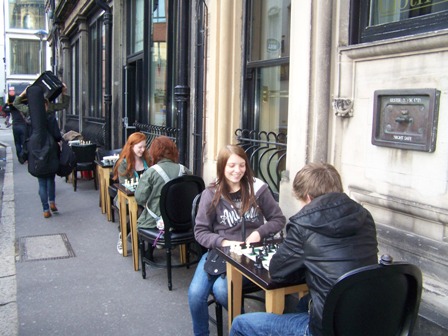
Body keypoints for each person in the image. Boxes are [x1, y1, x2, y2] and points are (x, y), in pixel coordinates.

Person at [229, 162, 379, 336]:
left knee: (240, 324)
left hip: (326, 329)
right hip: (367, 321)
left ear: (307, 197)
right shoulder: (364, 216)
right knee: (303, 304)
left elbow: (278, 272)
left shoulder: (304, 224)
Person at [188, 144, 286, 336]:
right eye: (231, 165)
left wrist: (259, 233)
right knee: (195, 294)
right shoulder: (212, 193)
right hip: (219, 253)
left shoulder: (257, 189)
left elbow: (279, 219)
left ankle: (243, 329)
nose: (237, 171)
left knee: (222, 291)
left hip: (248, 256)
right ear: (222, 167)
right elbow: (200, 232)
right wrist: (224, 242)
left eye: (242, 165)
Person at [14, 84, 70, 218]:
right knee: (51, 179)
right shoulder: (50, 112)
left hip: (36, 149)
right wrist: (64, 92)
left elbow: (16, 103)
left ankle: (45, 209)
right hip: (50, 149)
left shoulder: (30, 112)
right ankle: (52, 202)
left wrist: (24, 93)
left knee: (41, 182)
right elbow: (64, 106)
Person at [134, 136, 191, 230]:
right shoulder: (184, 170)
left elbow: (139, 198)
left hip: (156, 221)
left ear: (153, 152)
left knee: (137, 227)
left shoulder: (151, 172)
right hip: (183, 221)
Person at [112, 132, 151, 254]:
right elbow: (125, 186)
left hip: (145, 197)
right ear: (131, 146)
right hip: (126, 198)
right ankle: (123, 235)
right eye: (139, 147)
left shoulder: (147, 160)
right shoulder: (123, 163)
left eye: (144, 146)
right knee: (138, 211)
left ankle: (137, 236)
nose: (142, 149)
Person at [5, 87, 28, 163]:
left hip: (15, 125)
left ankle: (20, 158)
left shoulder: (11, 108)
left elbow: (5, 108)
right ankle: (24, 157)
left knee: (17, 143)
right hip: (23, 125)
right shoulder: (23, 107)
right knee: (24, 142)